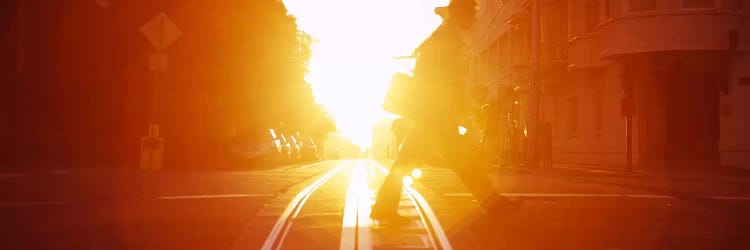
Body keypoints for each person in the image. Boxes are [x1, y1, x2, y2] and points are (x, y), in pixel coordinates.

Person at [371, 0, 517, 224]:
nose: (475, 18)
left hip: (432, 113)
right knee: (460, 161)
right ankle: (495, 205)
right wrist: (454, 106)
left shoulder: (445, 35)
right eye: (472, 12)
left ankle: (384, 205)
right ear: (461, 13)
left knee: (419, 160)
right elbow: (444, 79)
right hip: (436, 113)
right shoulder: (448, 38)